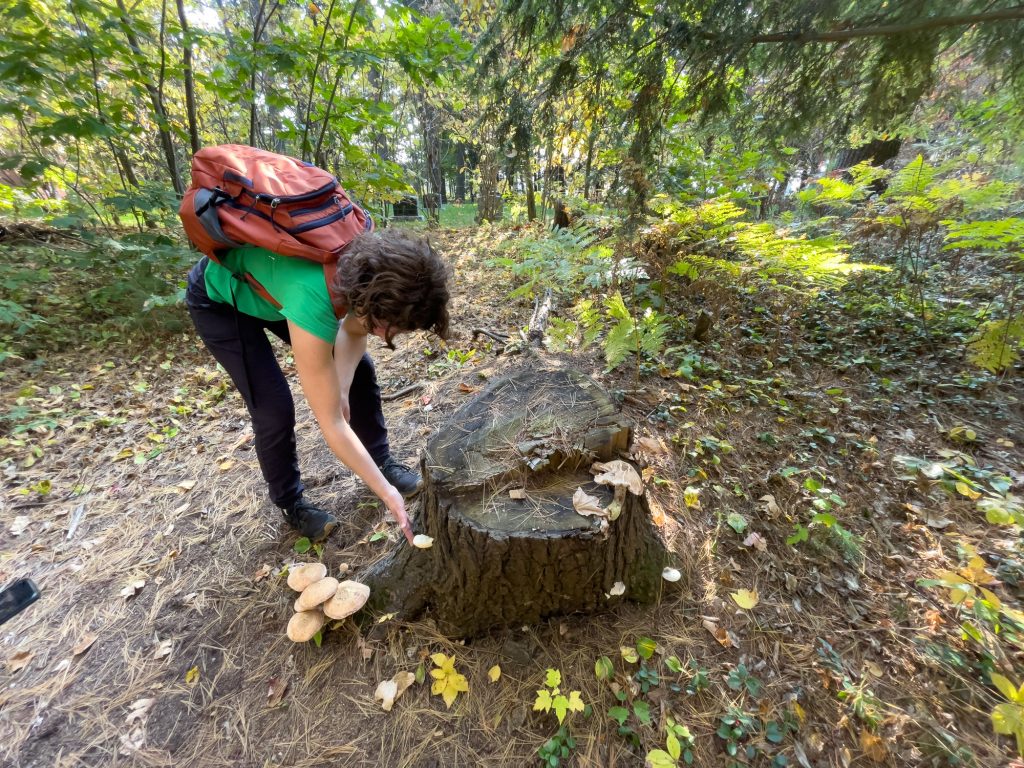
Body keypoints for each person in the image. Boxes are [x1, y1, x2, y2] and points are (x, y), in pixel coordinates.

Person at [185, 228, 450, 546]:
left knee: (360, 370)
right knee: (274, 408)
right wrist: (386, 493)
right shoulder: (315, 297)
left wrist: (342, 386)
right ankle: (290, 503)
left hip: (271, 289)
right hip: (222, 299)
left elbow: (353, 333)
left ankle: (379, 459)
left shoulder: (366, 268)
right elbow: (332, 421)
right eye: (389, 328)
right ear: (373, 305)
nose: (385, 337)